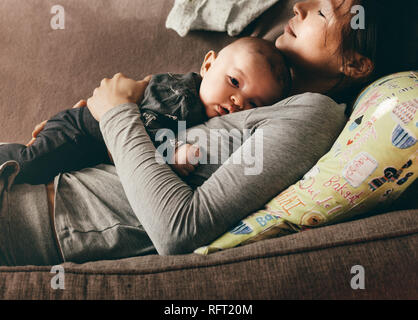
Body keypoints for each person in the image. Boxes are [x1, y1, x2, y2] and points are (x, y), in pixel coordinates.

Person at [0, 0, 413, 266]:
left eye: (323, 12)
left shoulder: (311, 117)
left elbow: (177, 230)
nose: (299, 6)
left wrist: (116, 113)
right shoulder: (262, 96)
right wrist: (94, 123)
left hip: (34, 222)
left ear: (357, 66)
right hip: (22, 180)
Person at [0, 37, 290, 184]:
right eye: (234, 82)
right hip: (80, 132)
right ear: (209, 65)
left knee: (43, 177)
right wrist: (173, 153)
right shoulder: (181, 95)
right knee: (29, 164)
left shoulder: (204, 114)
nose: (238, 101)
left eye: (253, 103)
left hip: (93, 148)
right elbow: (147, 124)